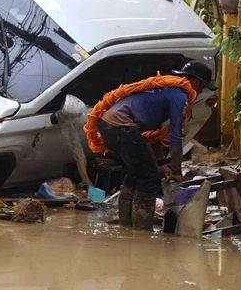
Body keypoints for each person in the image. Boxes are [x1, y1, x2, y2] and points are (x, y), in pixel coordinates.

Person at [84, 62, 217, 230]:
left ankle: (127, 227)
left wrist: (162, 164)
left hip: (108, 124)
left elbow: (153, 135)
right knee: (148, 178)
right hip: (123, 125)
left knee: (134, 175)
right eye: (202, 87)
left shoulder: (166, 89)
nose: (199, 92)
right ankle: (141, 230)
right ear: (196, 82)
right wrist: (176, 172)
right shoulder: (180, 94)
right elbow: (175, 135)